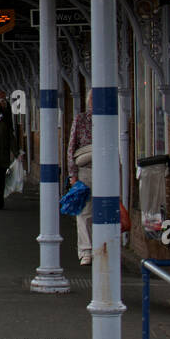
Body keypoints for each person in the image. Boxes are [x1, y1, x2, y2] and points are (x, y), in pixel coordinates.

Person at [67, 90, 95, 265]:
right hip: (85, 169)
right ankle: (86, 250)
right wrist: (72, 175)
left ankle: (103, 246)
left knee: (105, 209)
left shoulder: (111, 119)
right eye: (93, 99)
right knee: (84, 210)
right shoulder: (81, 119)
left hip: (106, 171)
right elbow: (72, 146)